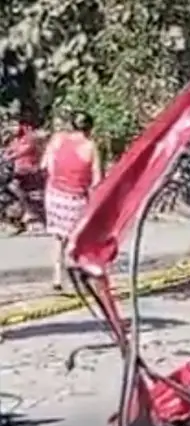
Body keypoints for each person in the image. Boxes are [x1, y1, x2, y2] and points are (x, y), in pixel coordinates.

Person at [42, 111, 101, 292]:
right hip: (76, 199)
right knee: (76, 238)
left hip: (54, 195)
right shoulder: (90, 147)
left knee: (58, 237)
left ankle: (57, 276)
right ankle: (78, 275)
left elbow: (45, 165)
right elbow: (97, 179)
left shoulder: (58, 139)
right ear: (89, 128)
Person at [3, 120, 41, 228]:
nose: (12, 128)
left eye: (15, 125)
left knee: (14, 187)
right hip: (17, 169)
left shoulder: (28, 138)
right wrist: (5, 152)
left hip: (28, 169)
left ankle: (29, 211)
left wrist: (10, 156)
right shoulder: (16, 138)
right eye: (10, 125)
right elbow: (11, 149)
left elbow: (23, 150)